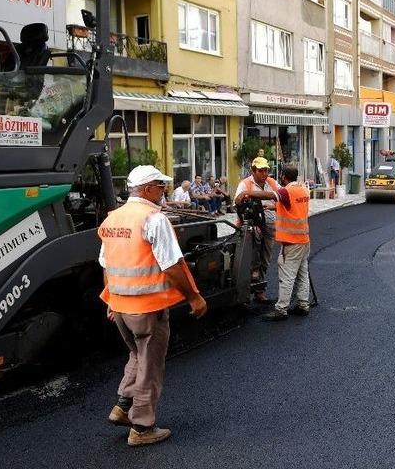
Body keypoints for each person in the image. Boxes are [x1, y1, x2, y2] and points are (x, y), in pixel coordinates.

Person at [98, 165, 208, 447]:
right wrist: (194, 297)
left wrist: (111, 299)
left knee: (137, 355)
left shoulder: (113, 220)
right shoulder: (154, 219)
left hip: (121, 307)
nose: (164, 191)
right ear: (147, 189)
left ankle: (123, 405)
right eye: (161, 187)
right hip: (148, 308)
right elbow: (171, 266)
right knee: (150, 365)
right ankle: (142, 427)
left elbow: (106, 265)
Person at [262, 165, 311, 321]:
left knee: (287, 275)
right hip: (304, 239)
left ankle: (281, 309)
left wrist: (247, 193)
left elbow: (272, 195)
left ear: (283, 176)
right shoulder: (302, 189)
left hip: (291, 241)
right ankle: (303, 305)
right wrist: (272, 207)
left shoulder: (286, 191)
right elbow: (292, 207)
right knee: (303, 273)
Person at [235, 157, 281, 304]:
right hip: (250, 226)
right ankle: (246, 292)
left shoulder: (272, 183)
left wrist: (273, 207)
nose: (264, 173)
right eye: (261, 170)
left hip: (269, 224)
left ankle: (260, 290)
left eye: (266, 170)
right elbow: (237, 203)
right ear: (253, 171)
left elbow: (282, 197)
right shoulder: (245, 184)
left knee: (265, 258)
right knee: (249, 258)